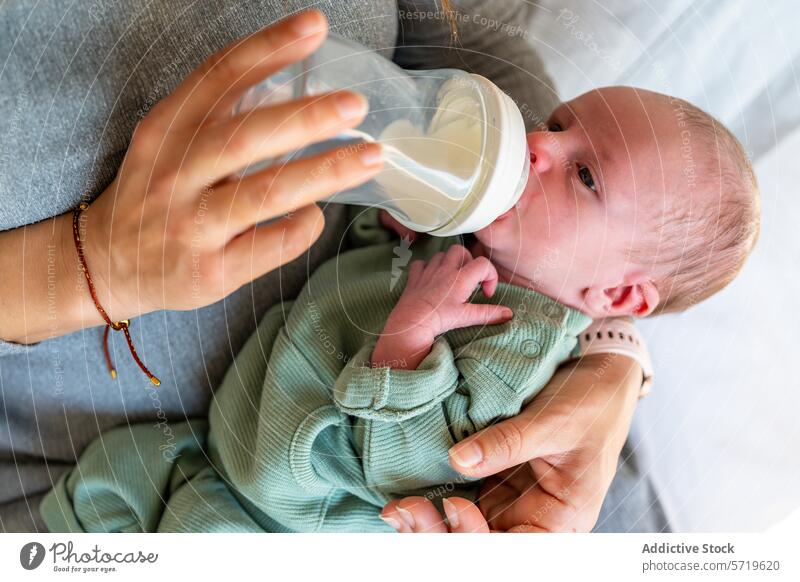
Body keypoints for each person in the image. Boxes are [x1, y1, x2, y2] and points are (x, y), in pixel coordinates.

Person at [0, 2, 664, 533]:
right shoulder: (497, 278)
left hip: (275, 508)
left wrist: (610, 355)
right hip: (100, 459)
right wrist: (84, 266)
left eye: (581, 170)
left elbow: (465, 35)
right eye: (552, 125)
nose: (537, 142)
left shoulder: (502, 287)